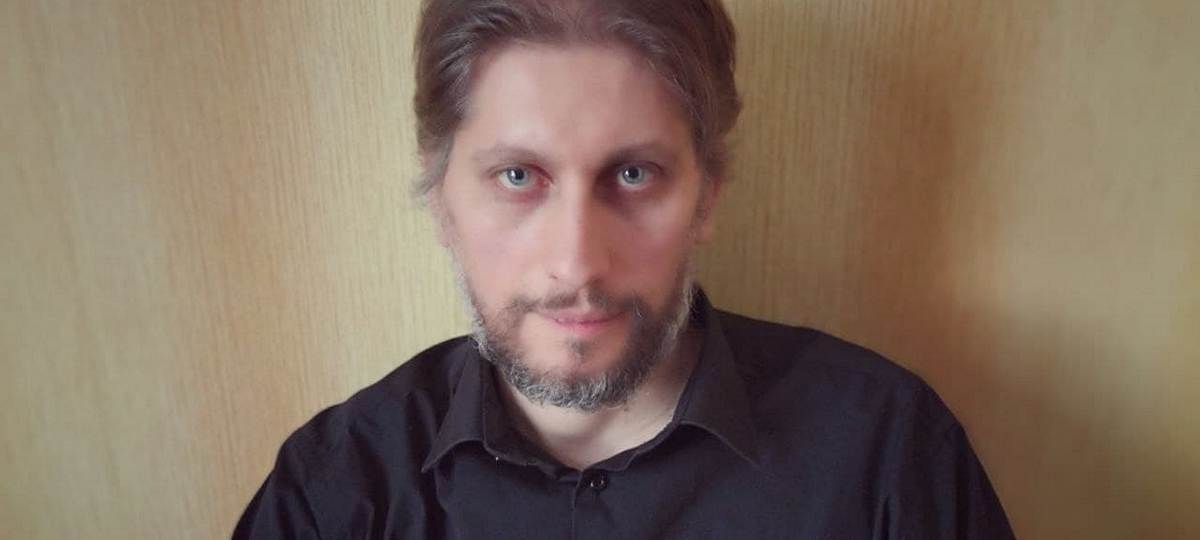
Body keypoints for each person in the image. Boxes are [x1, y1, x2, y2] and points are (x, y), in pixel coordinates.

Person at [234, 0, 1015, 537]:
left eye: (634, 175)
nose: (578, 261)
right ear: (440, 200)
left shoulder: (889, 455)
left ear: (707, 196)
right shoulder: (334, 492)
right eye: (518, 176)